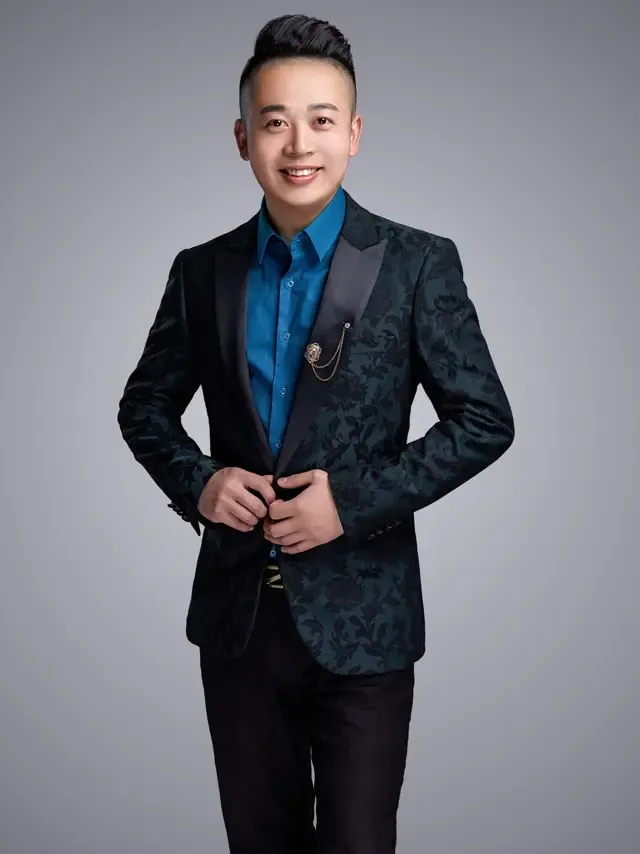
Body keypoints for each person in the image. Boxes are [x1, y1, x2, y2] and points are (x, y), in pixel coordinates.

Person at [117, 13, 514, 854]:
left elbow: (485, 419)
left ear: (354, 133)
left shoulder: (416, 263)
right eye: (275, 122)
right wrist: (200, 481)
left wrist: (351, 503)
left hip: (365, 627)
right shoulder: (202, 270)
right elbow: (144, 406)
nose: (299, 144)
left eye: (322, 120)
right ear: (243, 138)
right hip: (238, 624)